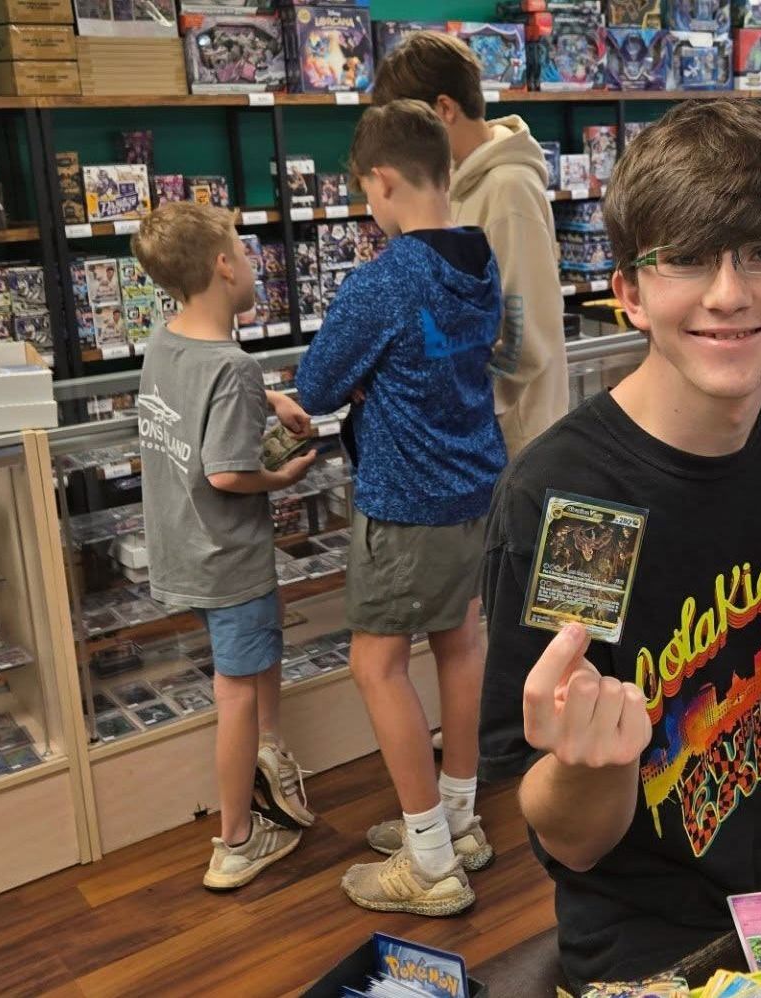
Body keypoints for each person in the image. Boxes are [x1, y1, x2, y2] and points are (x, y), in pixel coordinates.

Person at [479, 100, 761, 989]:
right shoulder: (576, 501)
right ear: (629, 290)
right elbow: (572, 837)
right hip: (655, 932)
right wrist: (595, 759)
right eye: (690, 258)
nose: (729, 293)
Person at [294, 99, 506, 916]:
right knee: (460, 644)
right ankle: (457, 818)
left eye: (367, 196)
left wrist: (294, 406)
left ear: (382, 182)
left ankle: (427, 859)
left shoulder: (381, 282)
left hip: (404, 499)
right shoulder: (480, 259)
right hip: (476, 484)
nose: (369, 210)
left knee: (374, 664)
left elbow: (315, 388)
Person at [131, 202, 318, 890]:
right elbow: (227, 472)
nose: (249, 265)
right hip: (229, 558)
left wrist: (266, 399)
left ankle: (268, 766)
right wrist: (285, 474)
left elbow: (195, 396)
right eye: (242, 251)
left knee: (252, 669)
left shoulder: (163, 342)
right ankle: (235, 839)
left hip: (180, 548)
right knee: (236, 692)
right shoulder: (234, 365)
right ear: (221, 265)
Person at [374, 31, 568, 460]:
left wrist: (463, 404)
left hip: (513, 438)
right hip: (477, 435)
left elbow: (527, 328)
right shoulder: (455, 183)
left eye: (408, 127)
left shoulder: (508, 188)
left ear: (445, 109)